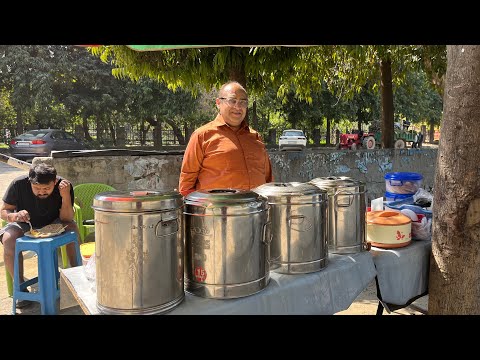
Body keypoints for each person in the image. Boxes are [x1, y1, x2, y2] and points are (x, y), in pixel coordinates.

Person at [0, 163, 80, 308]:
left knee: (73, 229)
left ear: (54, 182)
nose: (42, 192)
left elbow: (67, 219)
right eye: (37, 188)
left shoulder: (64, 186)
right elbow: (4, 211)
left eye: (47, 188)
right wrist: (15, 215)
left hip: (55, 221)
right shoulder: (18, 184)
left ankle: (78, 277)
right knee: (8, 238)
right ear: (30, 181)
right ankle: (20, 288)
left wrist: (65, 196)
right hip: (25, 222)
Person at [179, 81, 273, 196]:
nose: (238, 107)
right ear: (218, 103)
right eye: (232, 101)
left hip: (255, 211)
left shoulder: (255, 138)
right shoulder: (202, 136)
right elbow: (186, 187)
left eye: (243, 102)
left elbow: (268, 181)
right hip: (217, 211)